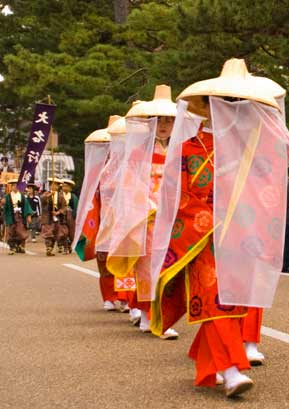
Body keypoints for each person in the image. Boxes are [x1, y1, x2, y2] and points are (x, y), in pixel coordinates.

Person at [149, 58, 289, 397]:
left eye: (236, 102)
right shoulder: (185, 149)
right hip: (202, 236)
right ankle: (231, 368)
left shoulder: (252, 148)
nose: (229, 108)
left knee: (231, 301)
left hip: (239, 236)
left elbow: (267, 188)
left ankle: (208, 358)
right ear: (208, 105)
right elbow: (176, 196)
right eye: (223, 101)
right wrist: (207, 222)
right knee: (215, 298)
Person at [105, 85, 180, 339]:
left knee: (169, 267)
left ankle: (161, 315)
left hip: (172, 216)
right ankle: (149, 316)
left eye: (170, 120)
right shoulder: (138, 153)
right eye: (160, 120)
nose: (164, 125)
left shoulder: (178, 151)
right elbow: (130, 184)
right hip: (147, 215)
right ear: (151, 122)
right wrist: (149, 206)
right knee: (148, 267)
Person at [71, 117, 128, 312]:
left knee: (125, 259)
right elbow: (90, 196)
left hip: (124, 219)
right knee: (104, 260)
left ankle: (126, 297)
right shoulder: (100, 170)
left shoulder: (129, 165)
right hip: (104, 219)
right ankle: (109, 296)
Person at [3, 179, 34, 254]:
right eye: (13, 185)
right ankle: (12, 248)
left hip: (20, 216)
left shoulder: (22, 196)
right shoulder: (7, 196)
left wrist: (28, 216)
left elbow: (26, 206)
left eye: (17, 185)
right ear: (11, 187)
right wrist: (2, 203)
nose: (15, 187)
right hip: (11, 216)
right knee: (11, 232)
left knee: (21, 231)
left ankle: (21, 246)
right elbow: (5, 208)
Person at [40, 178, 69, 256]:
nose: (54, 187)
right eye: (52, 185)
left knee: (58, 233)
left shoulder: (61, 196)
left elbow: (64, 207)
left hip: (58, 217)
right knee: (48, 232)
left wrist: (58, 212)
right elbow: (42, 200)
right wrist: (48, 196)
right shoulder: (46, 194)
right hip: (48, 217)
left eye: (55, 185)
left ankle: (57, 247)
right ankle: (48, 248)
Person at [60, 179, 78, 254]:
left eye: (67, 186)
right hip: (61, 216)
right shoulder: (59, 195)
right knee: (63, 232)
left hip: (71, 217)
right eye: (64, 186)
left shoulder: (73, 197)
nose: (65, 188)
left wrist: (75, 216)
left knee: (71, 233)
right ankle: (65, 247)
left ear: (70, 188)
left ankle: (70, 245)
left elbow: (76, 207)